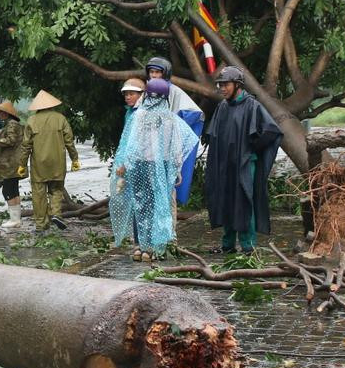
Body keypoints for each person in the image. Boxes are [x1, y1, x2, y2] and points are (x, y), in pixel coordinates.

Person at [110, 78, 198, 261]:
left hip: (142, 165)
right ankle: (156, 246)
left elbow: (130, 146)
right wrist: (178, 170)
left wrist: (124, 165)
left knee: (143, 205)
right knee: (160, 205)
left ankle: (145, 246)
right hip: (162, 167)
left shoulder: (139, 116)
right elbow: (177, 147)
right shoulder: (170, 118)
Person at [203, 66, 283, 254]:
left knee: (244, 200)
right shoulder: (223, 107)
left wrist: (251, 148)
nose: (222, 88)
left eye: (226, 84)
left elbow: (271, 131)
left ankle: (248, 246)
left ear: (237, 85)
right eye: (220, 85)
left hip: (245, 164)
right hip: (225, 165)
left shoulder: (252, 106)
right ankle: (228, 244)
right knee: (226, 201)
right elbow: (214, 135)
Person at [144, 57, 204, 206]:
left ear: (165, 73)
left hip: (167, 151)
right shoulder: (146, 91)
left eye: (158, 72)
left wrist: (172, 121)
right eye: (151, 72)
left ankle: (168, 227)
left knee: (167, 194)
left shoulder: (174, 91)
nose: (154, 75)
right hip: (149, 151)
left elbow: (196, 113)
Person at [18, 90, 80, 233]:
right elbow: (69, 141)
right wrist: (75, 159)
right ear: (52, 105)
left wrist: (22, 164)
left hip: (39, 165)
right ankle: (56, 214)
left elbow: (26, 146)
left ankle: (41, 225)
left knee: (38, 195)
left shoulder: (32, 121)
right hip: (57, 163)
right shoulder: (60, 119)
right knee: (56, 190)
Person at [0, 100, 24, 228]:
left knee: (8, 190)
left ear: (7, 113)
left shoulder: (12, 125)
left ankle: (14, 220)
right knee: (13, 190)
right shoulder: (11, 124)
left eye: (1, 112)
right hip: (13, 163)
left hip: (10, 163)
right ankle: (16, 219)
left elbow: (11, 141)